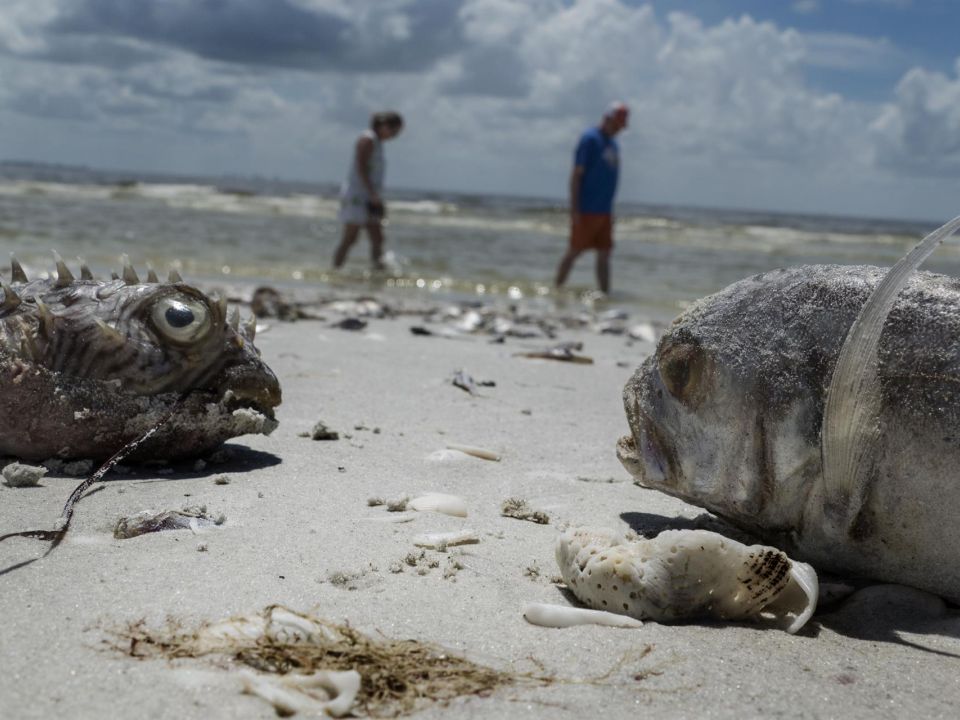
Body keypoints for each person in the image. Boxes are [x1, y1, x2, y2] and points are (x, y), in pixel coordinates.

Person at [554, 101, 629, 295]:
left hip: (605, 211)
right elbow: (576, 175)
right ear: (607, 119)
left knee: (604, 254)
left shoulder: (613, 144)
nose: (618, 130)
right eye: (616, 125)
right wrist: (575, 210)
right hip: (587, 209)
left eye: (621, 127)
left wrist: (610, 211)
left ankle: (605, 295)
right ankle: (557, 289)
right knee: (574, 251)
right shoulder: (590, 139)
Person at [332, 111, 404, 271]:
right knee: (350, 238)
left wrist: (375, 196)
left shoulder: (377, 143)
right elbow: (361, 167)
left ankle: (377, 271)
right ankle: (336, 269)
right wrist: (372, 193)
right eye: (394, 131)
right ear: (384, 126)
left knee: (377, 236)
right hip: (359, 195)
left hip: (371, 195)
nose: (394, 136)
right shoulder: (368, 139)